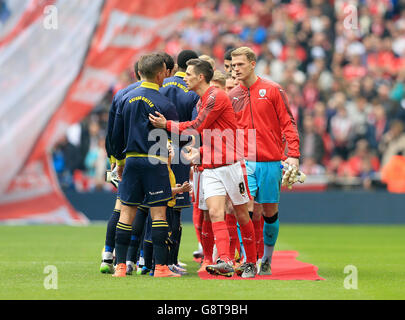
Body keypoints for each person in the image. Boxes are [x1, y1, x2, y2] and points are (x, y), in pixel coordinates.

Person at [149, 58, 258, 278]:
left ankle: (251, 262)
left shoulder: (216, 97)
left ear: (200, 77)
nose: (184, 77)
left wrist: (166, 125)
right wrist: (200, 152)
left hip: (231, 165)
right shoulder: (201, 100)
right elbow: (206, 133)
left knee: (241, 213)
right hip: (210, 167)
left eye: (188, 74)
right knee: (216, 212)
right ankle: (226, 261)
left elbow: (196, 126)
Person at [229, 46, 300, 275]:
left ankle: (266, 259)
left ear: (252, 64)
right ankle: (250, 261)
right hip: (243, 162)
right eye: (232, 64)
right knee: (245, 209)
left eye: (240, 64)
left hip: (270, 161)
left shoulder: (273, 90)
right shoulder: (232, 96)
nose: (235, 68)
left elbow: (288, 123)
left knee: (270, 212)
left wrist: (294, 155)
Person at [111, 53, 180, 278]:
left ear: (140, 72)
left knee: (126, 213)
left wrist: (119, 162)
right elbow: (175, 136)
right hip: (155, 160)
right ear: (161, 74)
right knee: (158, 214)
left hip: (131, 160)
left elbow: (116, 136)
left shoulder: (124, 98)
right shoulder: (165, 103)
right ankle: (160, 268)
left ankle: (120, 266)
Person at [100, 61, 145, 274]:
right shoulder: (151, 95)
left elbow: (111, 131)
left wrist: (114, 158)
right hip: (141, 159)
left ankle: (108, 255)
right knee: (141, 210)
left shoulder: (120, 94)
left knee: (120, 206)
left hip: (118, 159)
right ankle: (132, 260)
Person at [159, 49, 200, 272]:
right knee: (176, 208)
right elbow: (196, 125)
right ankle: (171, 260)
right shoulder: (193, 91)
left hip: (156, 149)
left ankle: (150, 260)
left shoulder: (160, 87)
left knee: (156, 205)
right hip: (181, 150)